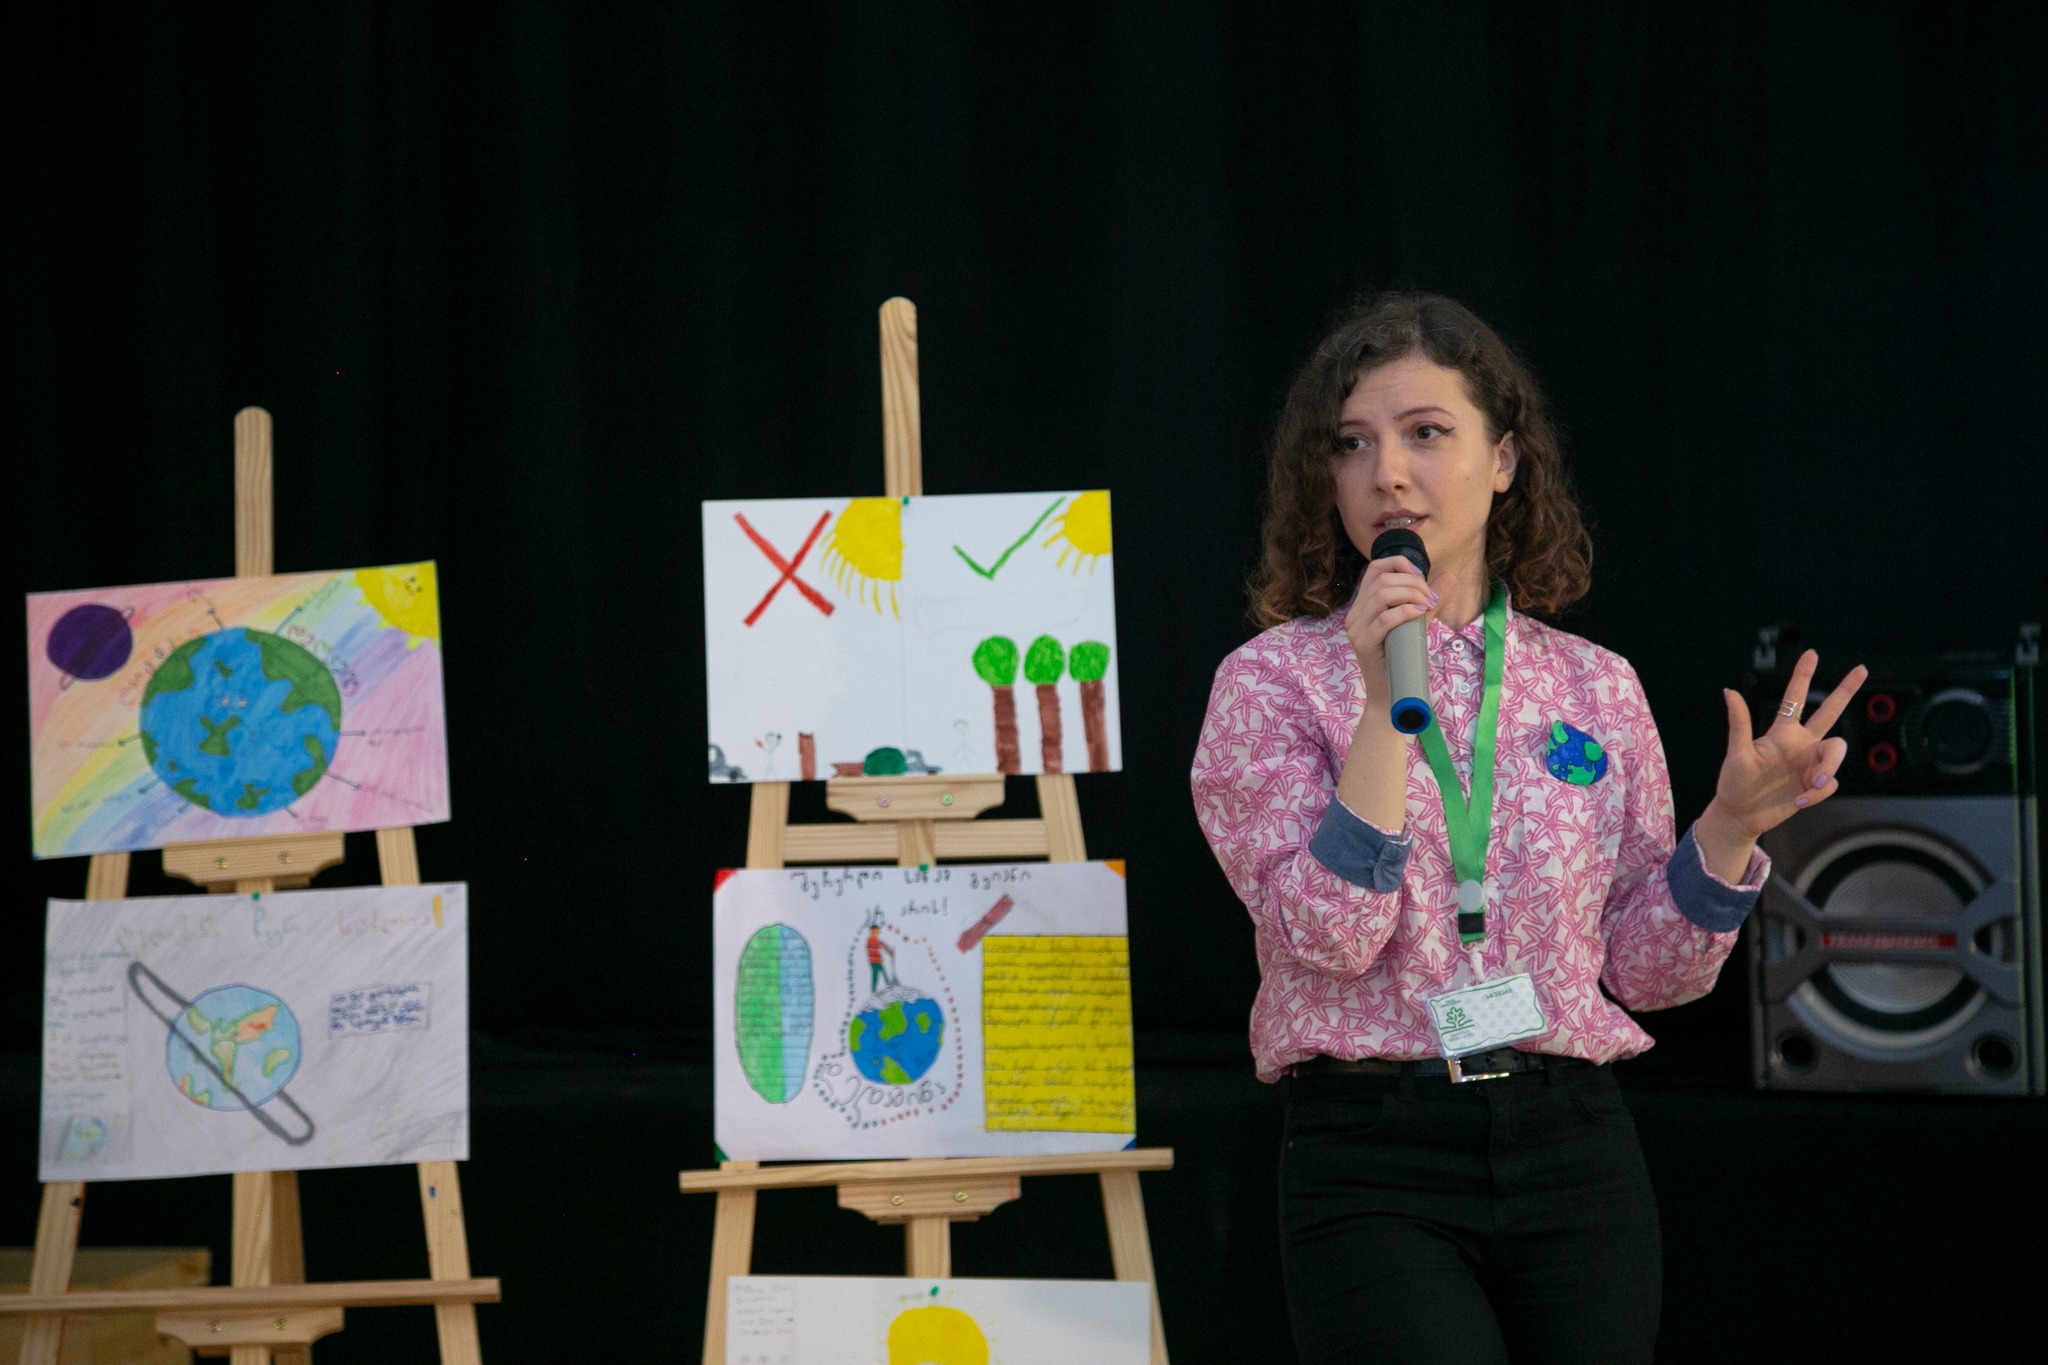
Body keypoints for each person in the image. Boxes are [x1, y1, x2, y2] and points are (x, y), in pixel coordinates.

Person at [1190, 292, 1863, 1365]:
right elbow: (1328, 938)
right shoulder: (1269, 683)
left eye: (1425, 432)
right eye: (1351, 444)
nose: (1386, 474)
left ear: (1503, 460)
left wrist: (1731, 826)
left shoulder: (1594, 685)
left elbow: (1648, 974)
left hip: (1571, 1145)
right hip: (1374, 1151)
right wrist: (1380, 706)